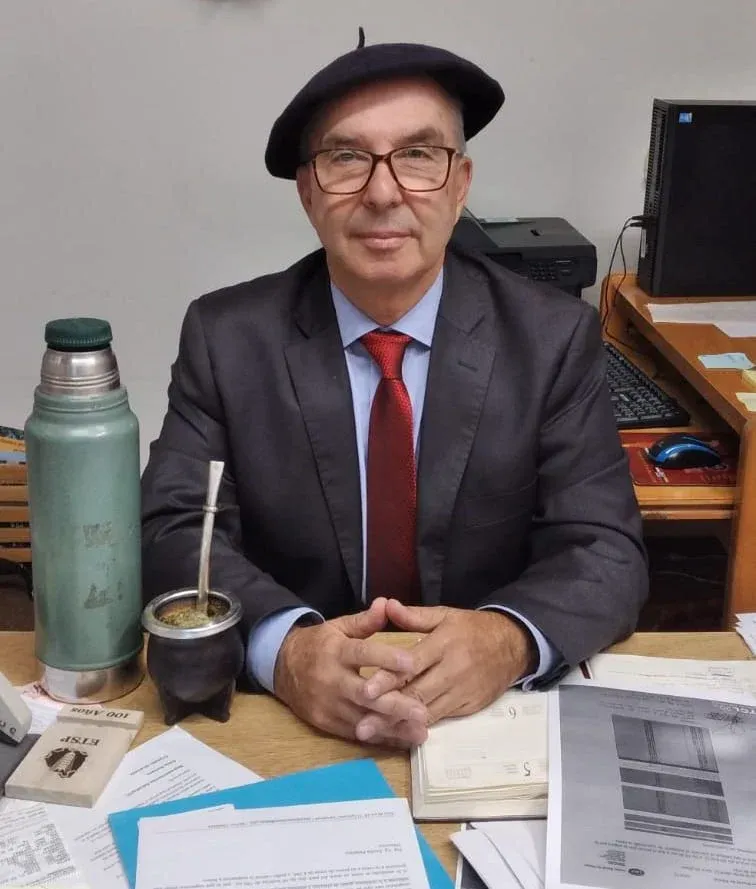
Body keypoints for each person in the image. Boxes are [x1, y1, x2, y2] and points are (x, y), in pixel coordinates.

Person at [141, 34, 648, 748]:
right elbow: (172, 530)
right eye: (347, 158)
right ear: (308, 192)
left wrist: (506, 639)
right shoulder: (227, 338)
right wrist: (286, 650)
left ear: (461, 184)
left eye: (418, 155)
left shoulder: (552, 338)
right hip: (293, 725)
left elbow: (605, 549)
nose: (383, 193)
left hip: (483, 725)